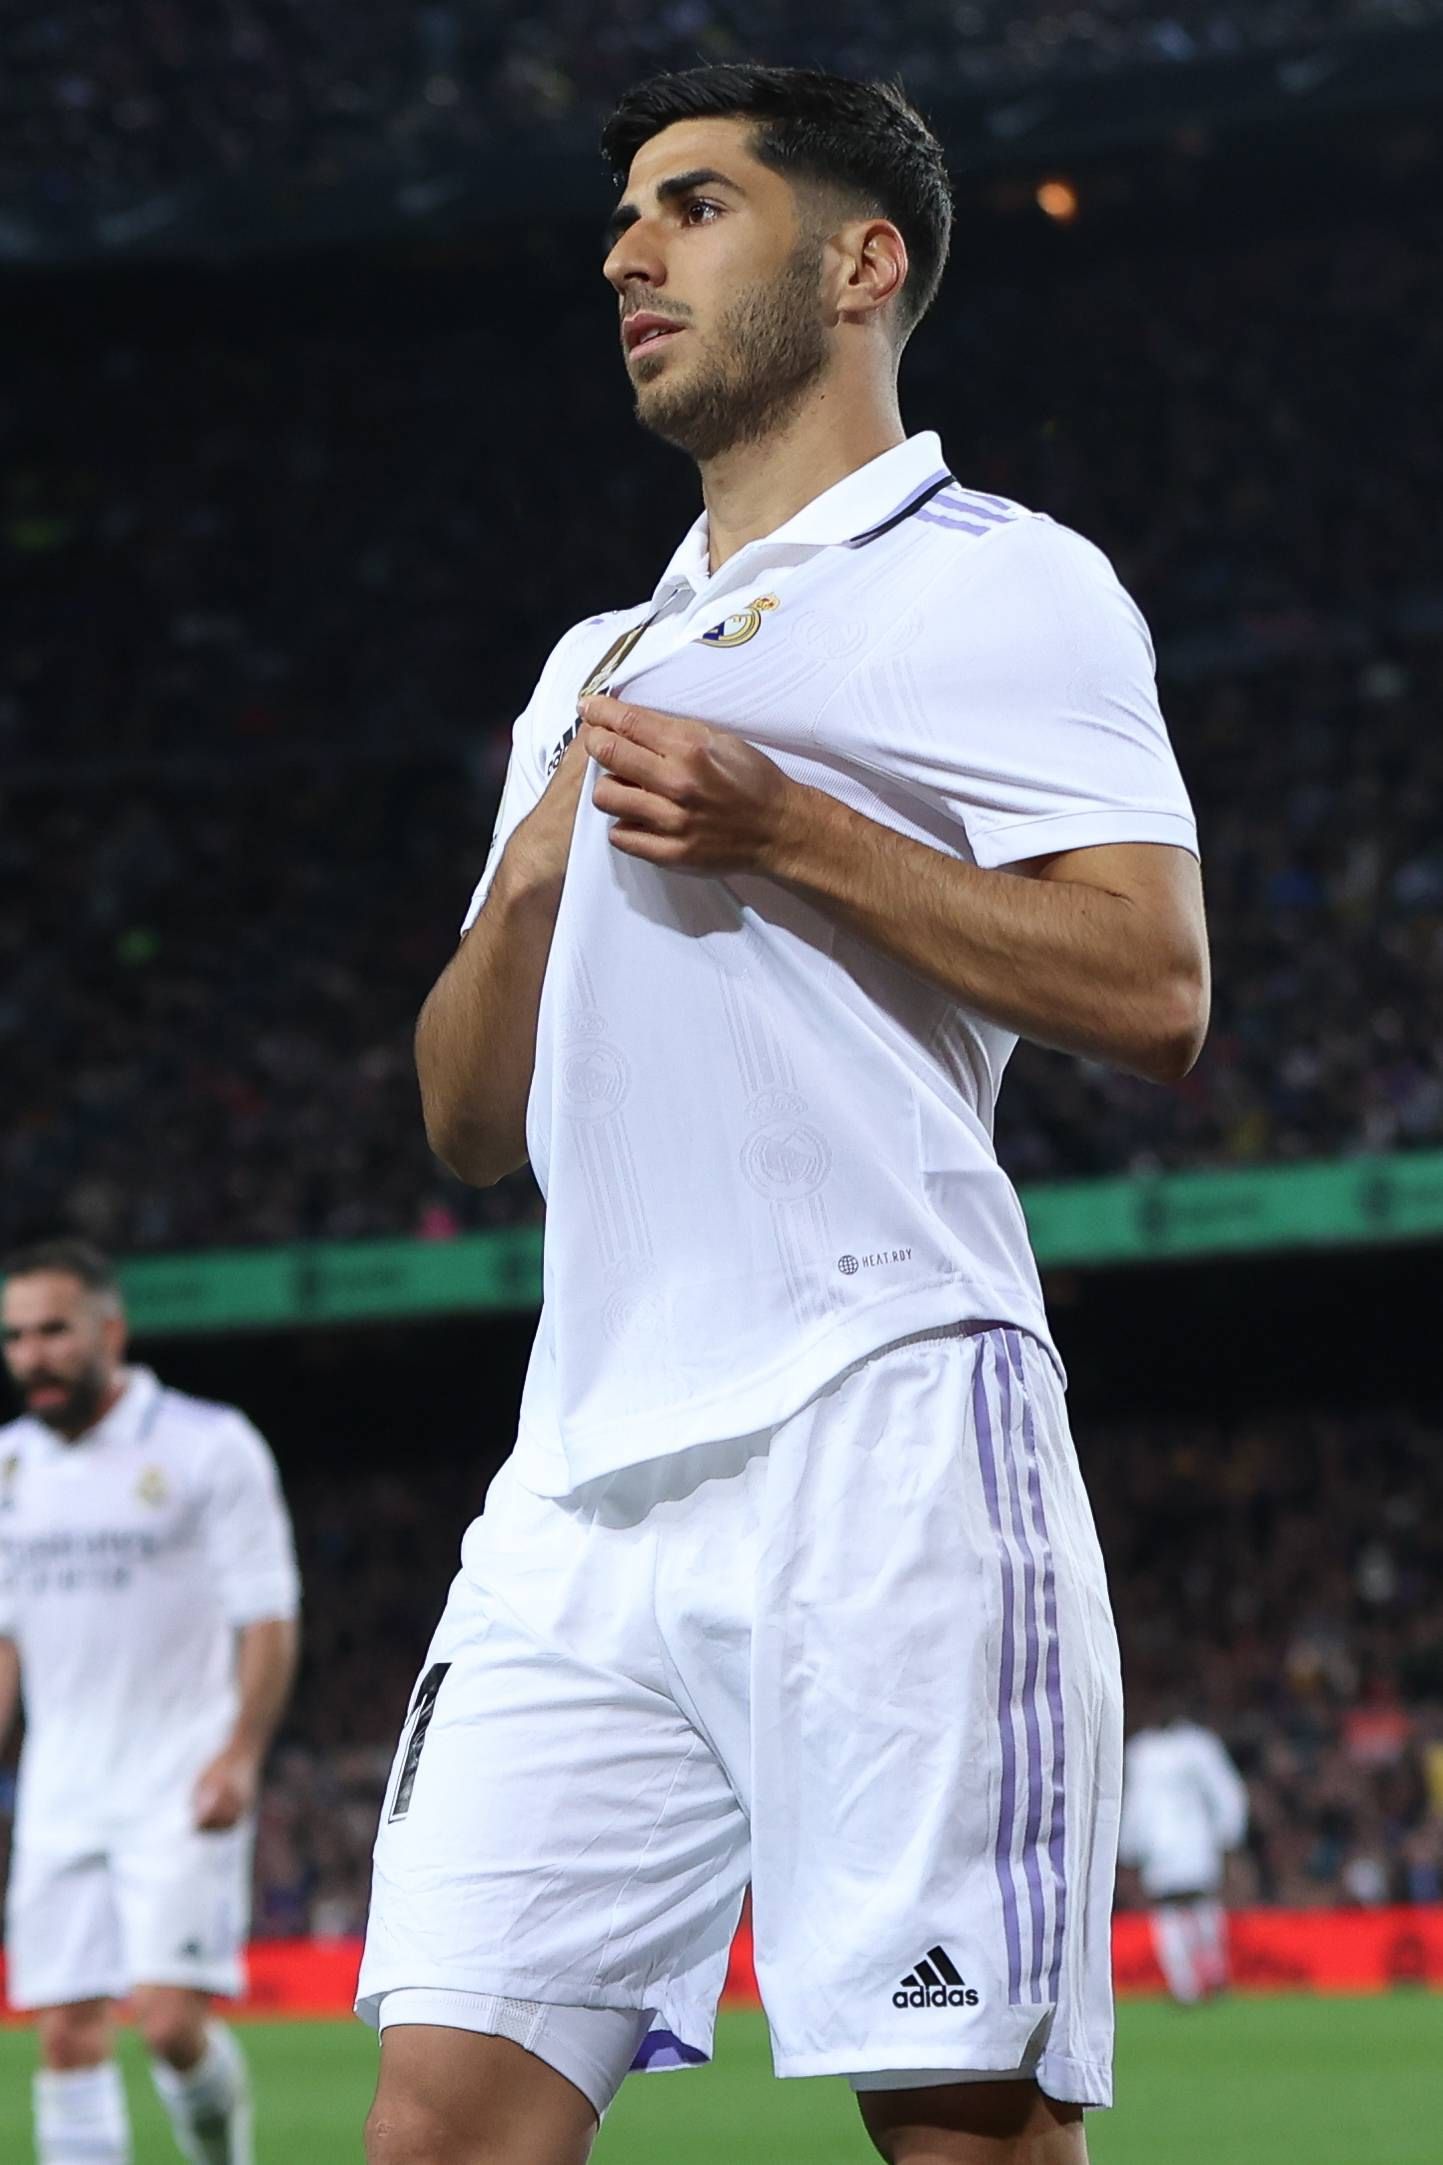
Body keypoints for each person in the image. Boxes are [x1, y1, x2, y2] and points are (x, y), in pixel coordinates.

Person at [361, 62, 1209, 2165]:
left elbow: (1152, 987)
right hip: (577, 1484)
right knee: (438, 2126)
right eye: (622, 218)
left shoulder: (1000, 581)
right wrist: (531, 883)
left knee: (963, 2127)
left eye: (692, 206)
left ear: (859, 264)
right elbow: (463, 1122)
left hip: (881, 1429)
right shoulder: (593, 659)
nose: (624, 256)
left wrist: (791, 828)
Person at [0, 1240, 302, 2165]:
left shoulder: (207, 1444)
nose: (32, 1355)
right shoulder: (9, 1465)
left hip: (180, 1776)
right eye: (15, 1336)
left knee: (169, 2022)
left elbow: (267, 1614)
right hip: (60, 1786)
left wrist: (241, 1752)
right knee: (65, 2034)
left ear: (110, 1330)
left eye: (54, 1330)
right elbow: (7, 1638)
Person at [1119, 1705, 1249, 2005]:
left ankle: (1206, 1977)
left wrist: (1228, 1830)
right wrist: (1131, 1845)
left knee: (1194, 1904)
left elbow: (1223, 1789)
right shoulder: (1142, 1751)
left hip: (1188, 1839)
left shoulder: (1195, 1745)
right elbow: (1137, 1800)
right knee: (1176, 1907)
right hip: (1168, 1842)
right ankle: (1189, 1983)